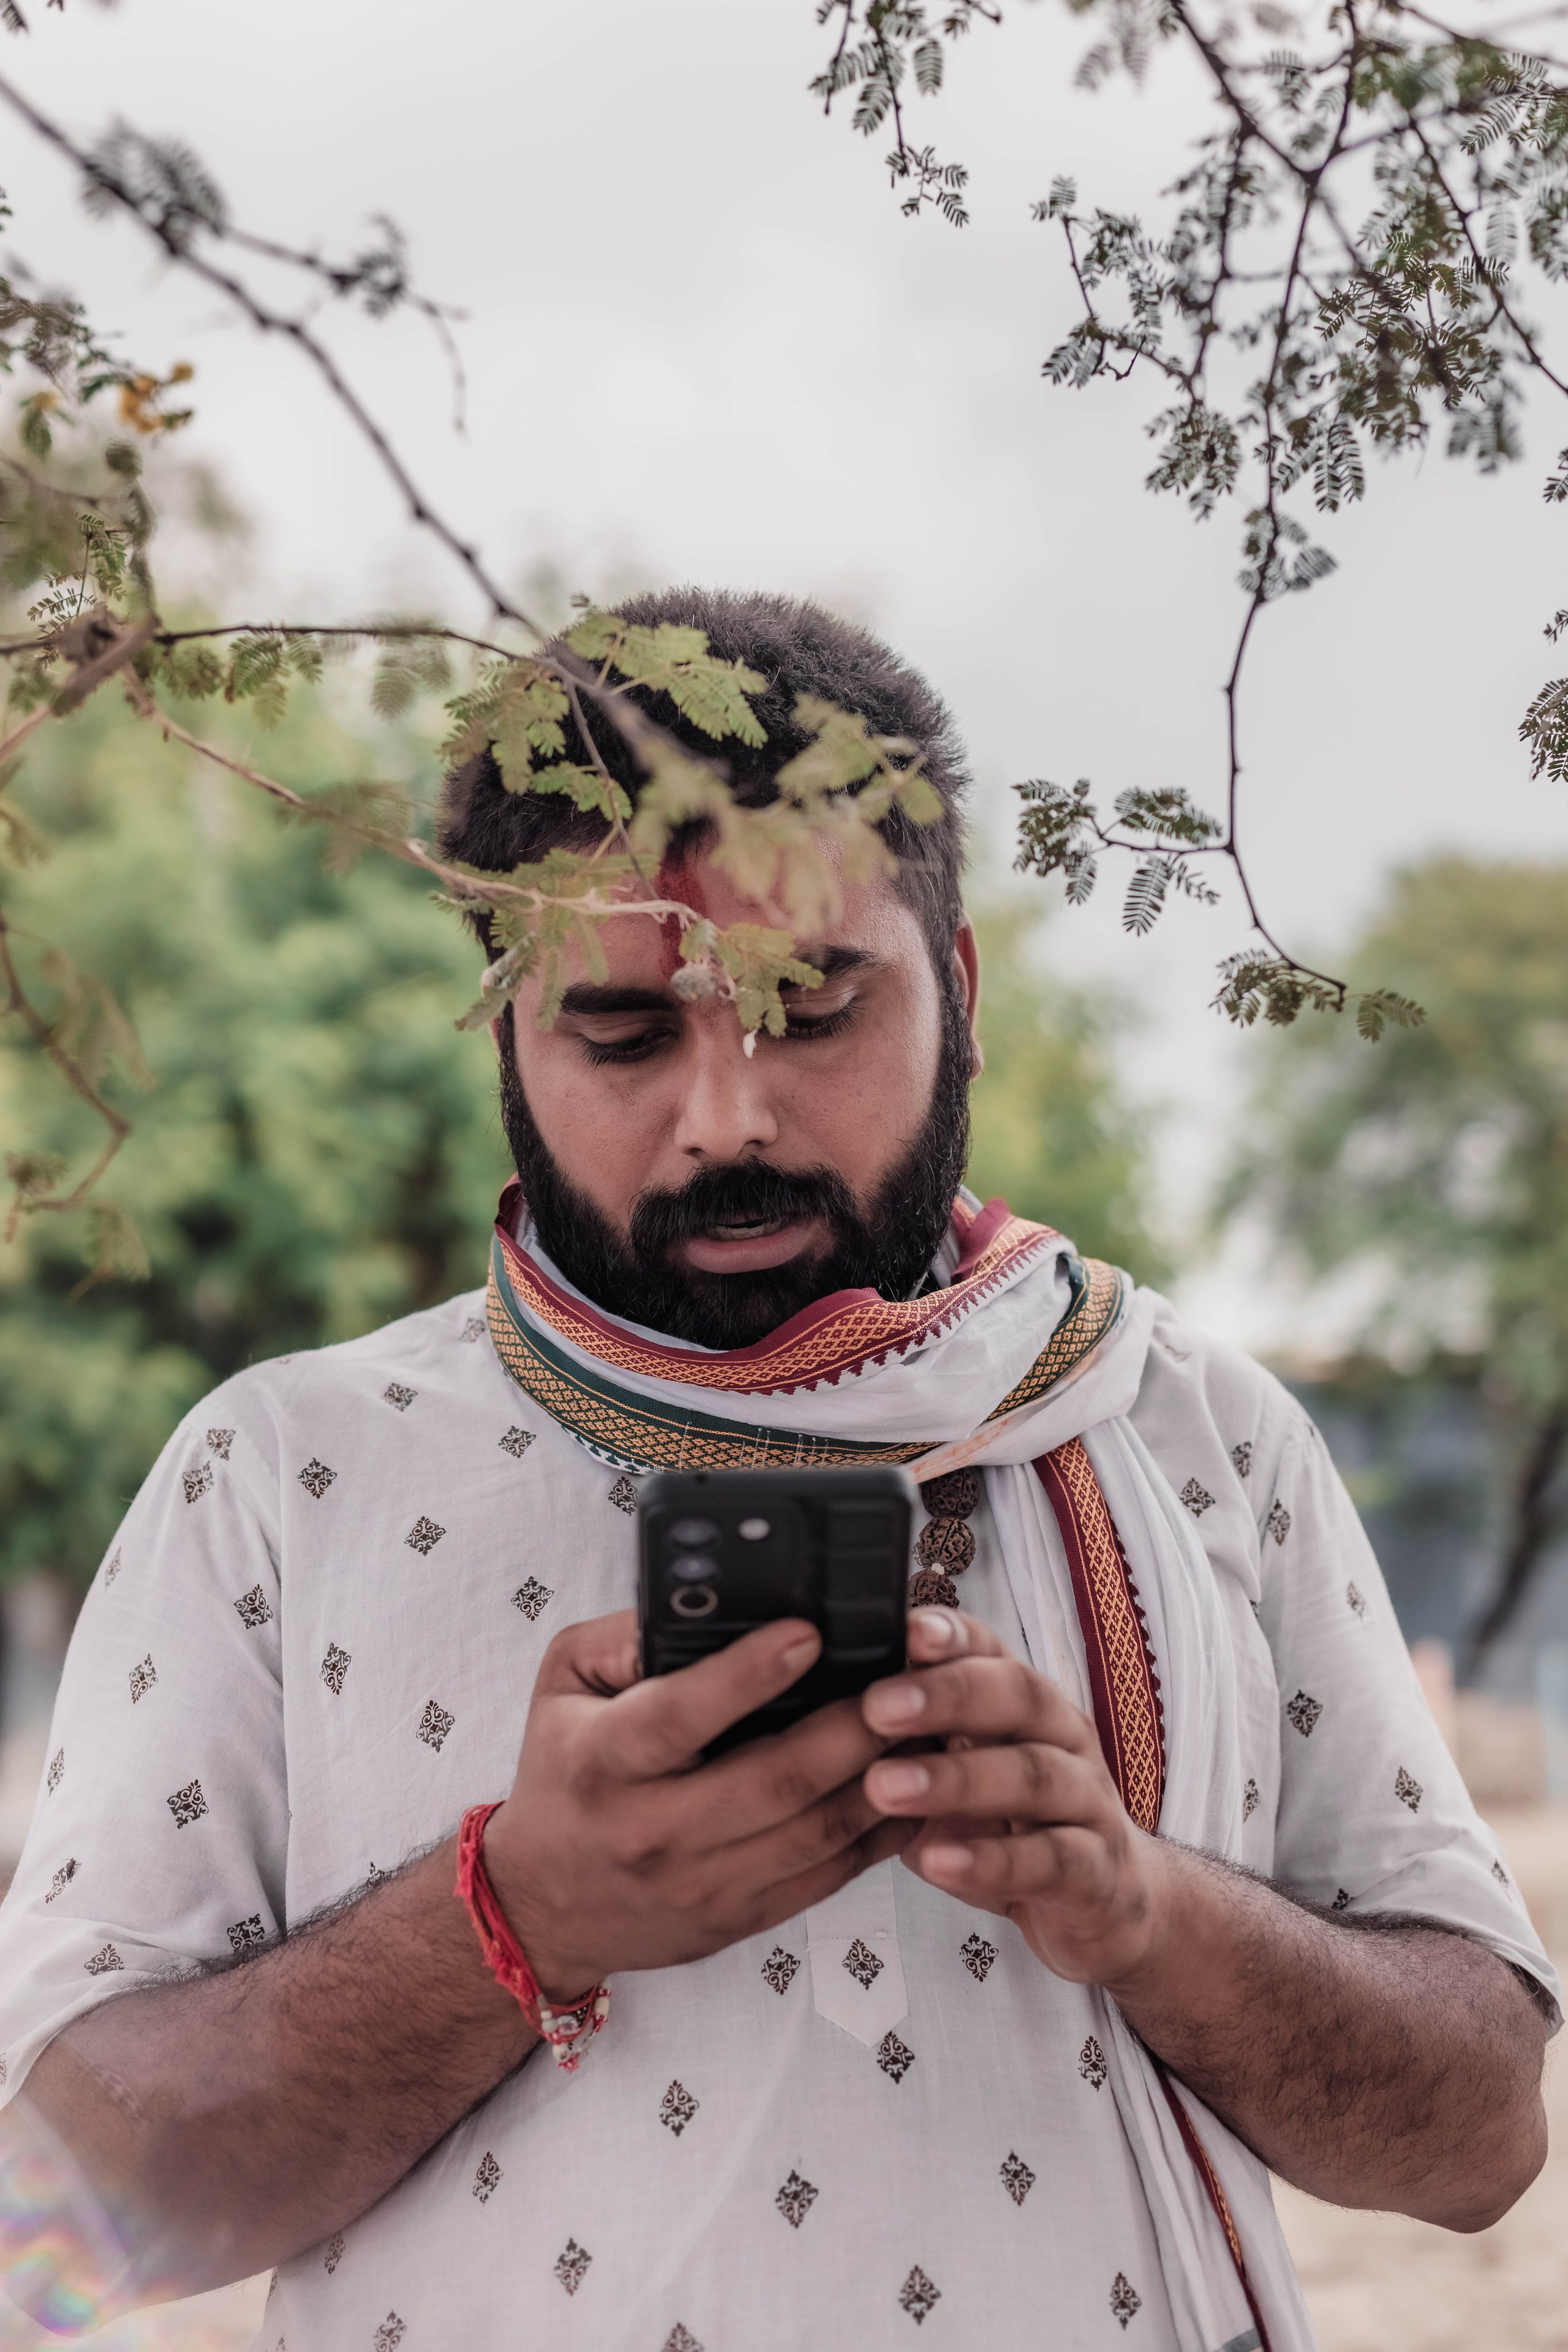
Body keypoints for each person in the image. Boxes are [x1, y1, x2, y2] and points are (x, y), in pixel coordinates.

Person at [0, 589, 1554, 2352]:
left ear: (959, 992)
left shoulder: (1188, 1423)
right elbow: (58, 2217)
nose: (728, 1117)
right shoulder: (283, 1474)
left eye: (812, 1011)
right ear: (506, 1032)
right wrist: (518, 1911)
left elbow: (1484, 2141)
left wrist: (1146, 1909)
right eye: (623, 1033)